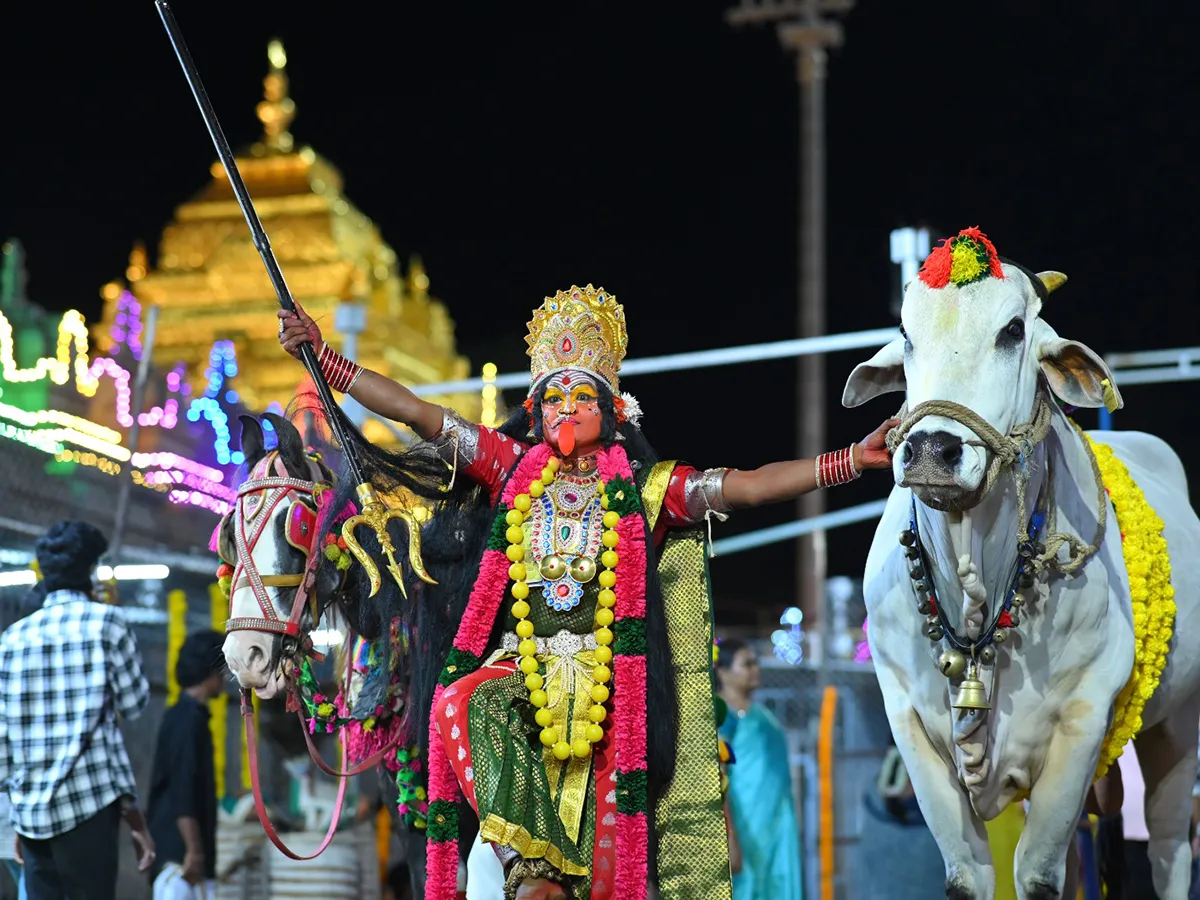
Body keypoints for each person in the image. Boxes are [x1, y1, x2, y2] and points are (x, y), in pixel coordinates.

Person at [278, 284, 896, 900]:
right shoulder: (508, 464)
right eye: (552, 396)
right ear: (535, 408)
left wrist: (849, 460)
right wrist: (326, 360)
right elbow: (417, 412)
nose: (565, 407)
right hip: (522, 688)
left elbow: (748, 487)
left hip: (610, 707)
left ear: (613, 409)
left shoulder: (650, 489)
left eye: (581, 395)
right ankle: (524, 854)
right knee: (455, 702)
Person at [0, 520, 155, 900]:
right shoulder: (107, 623)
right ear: (91, 569)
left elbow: (3, 742)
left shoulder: (11, 639)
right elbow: (134, 703)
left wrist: (15, 822)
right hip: (90, 805)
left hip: (32, 815)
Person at [715, 638, 802, 900]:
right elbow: (718, 777)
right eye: (747, 663)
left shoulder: (760, 714)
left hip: (775, 825)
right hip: (745, 824)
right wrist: (729, 834)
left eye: (756, 663)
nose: (755, 669)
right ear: (722, 671)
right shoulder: (724, 717)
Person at [146, 630, 226, 900]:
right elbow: (182, 788)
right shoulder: (187, 721)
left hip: (184, 857)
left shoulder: (189, 716)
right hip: (179, 861)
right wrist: (194, 850)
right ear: (210, 671)